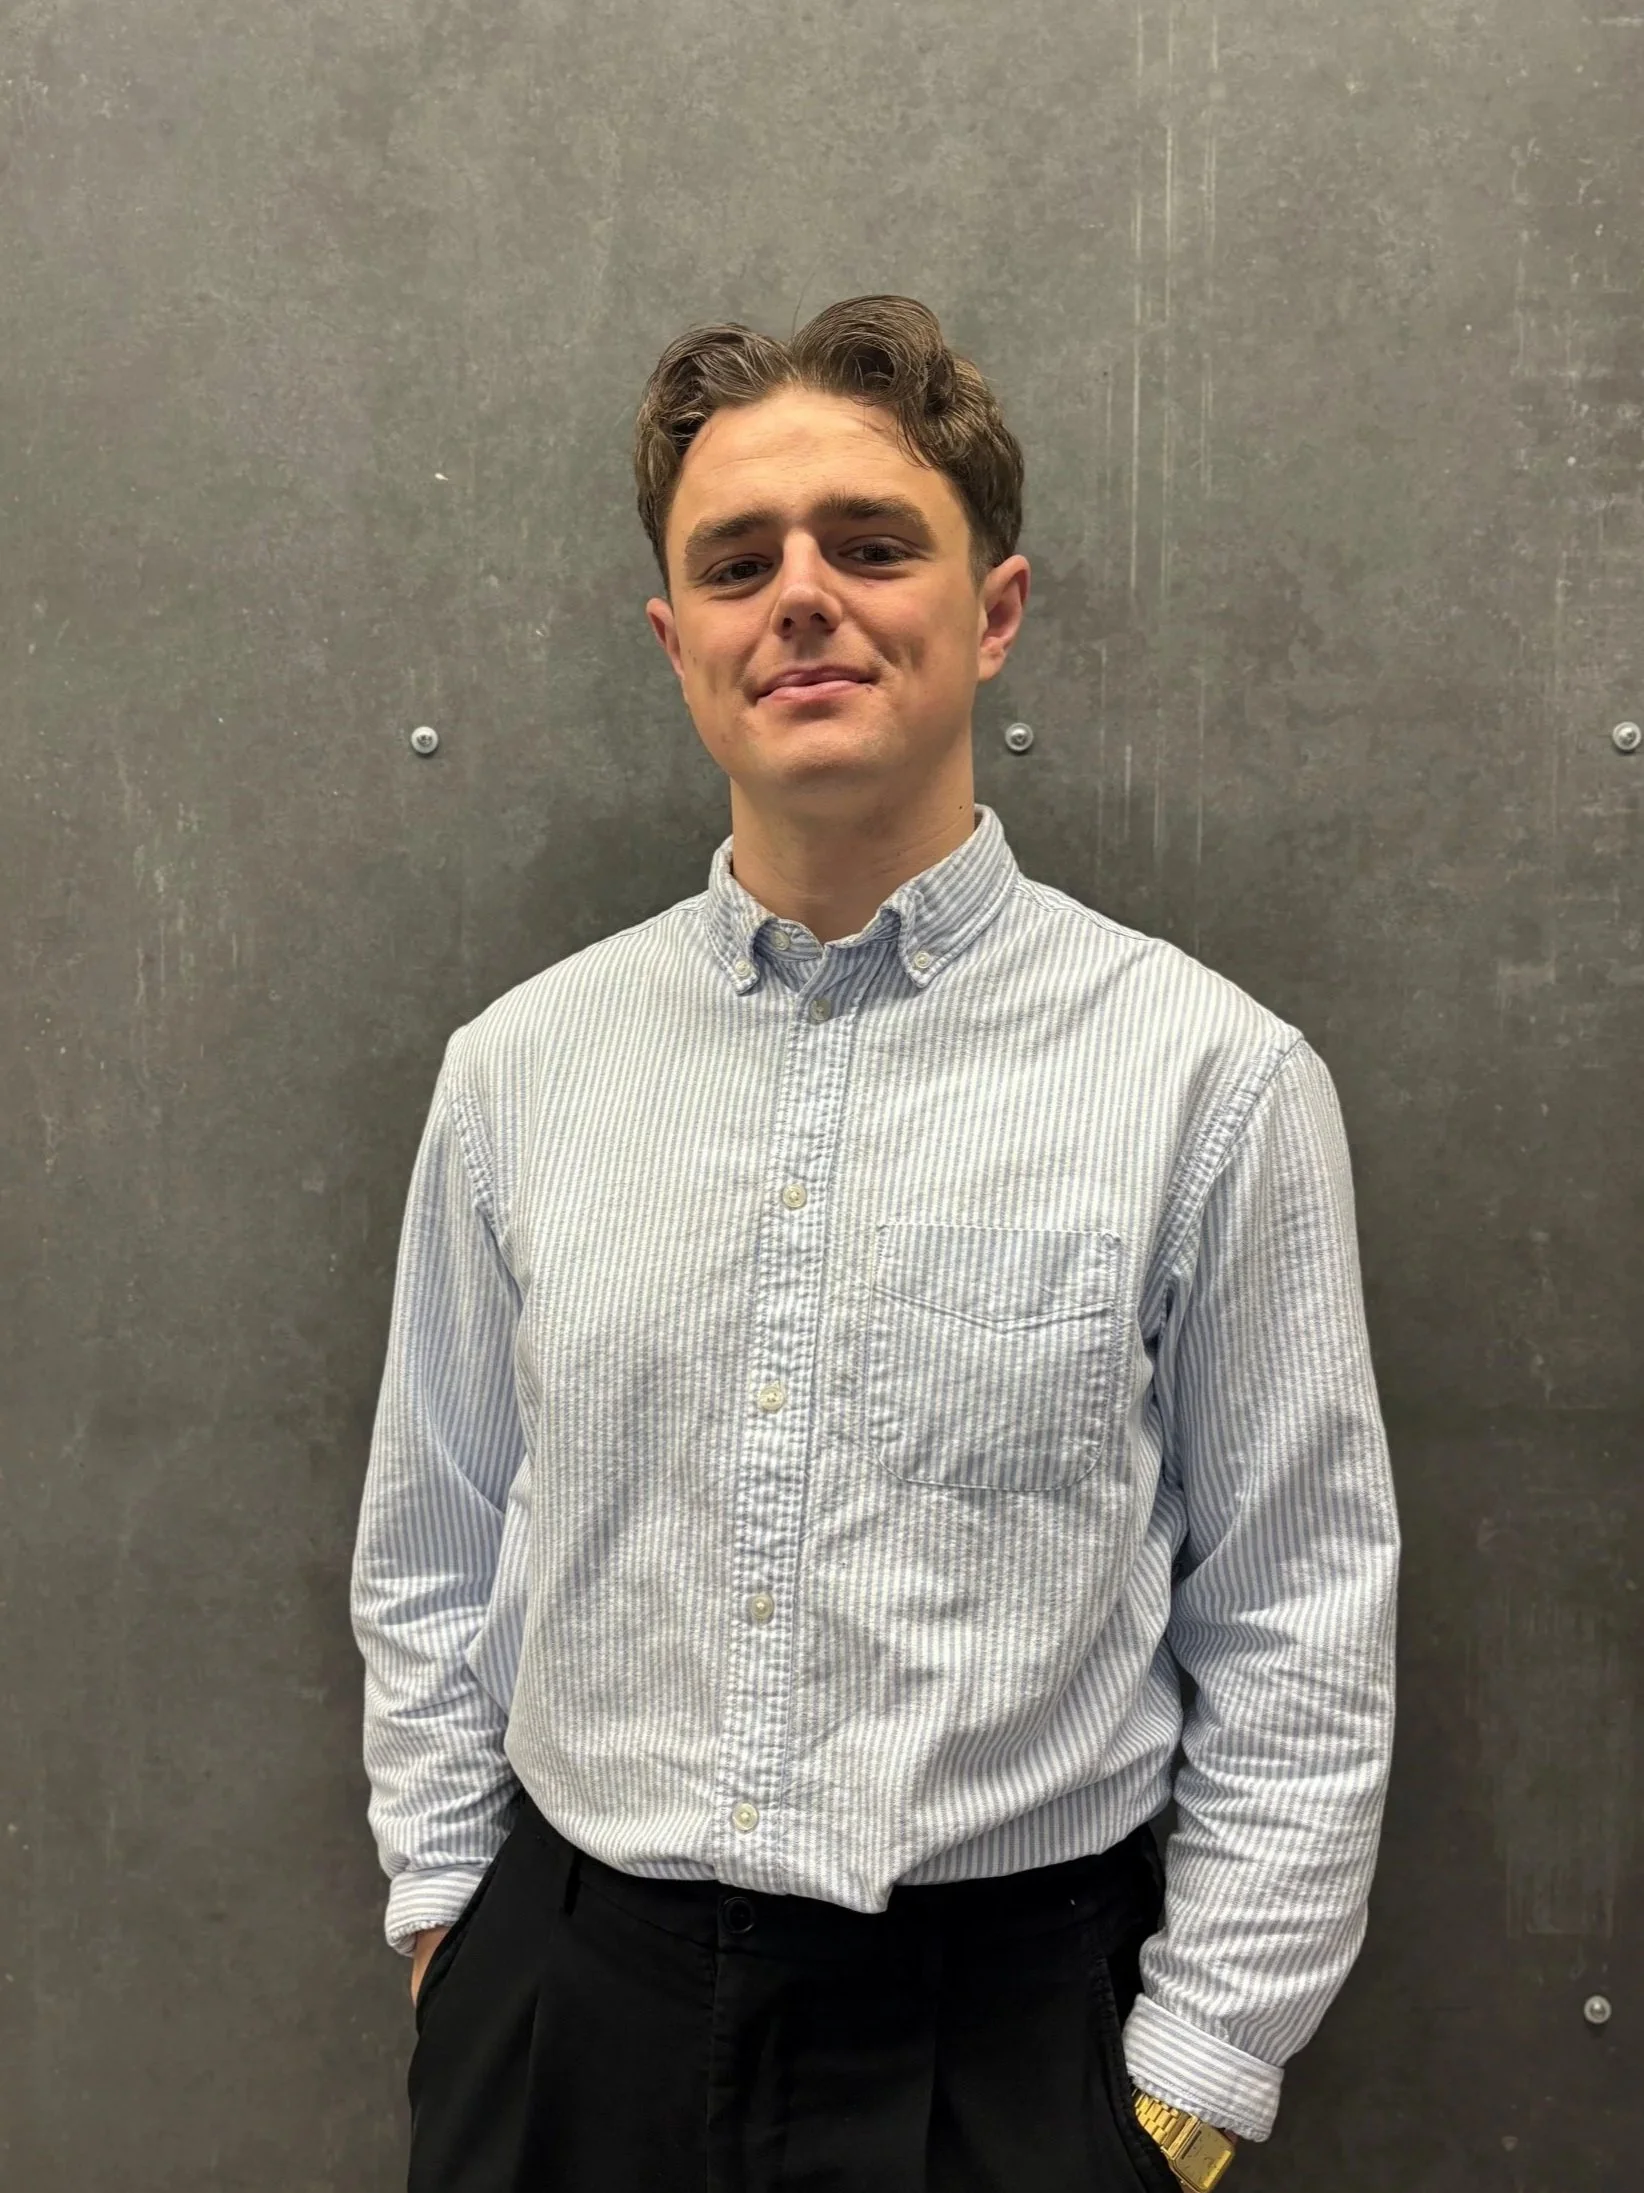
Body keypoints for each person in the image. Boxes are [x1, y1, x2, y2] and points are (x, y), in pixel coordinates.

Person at [350, 293, 1399, 2193]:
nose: (802, 599)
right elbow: (434, 1542)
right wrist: (451, 1933)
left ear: (993, 610)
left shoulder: (1208, 1080)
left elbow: (1300, 1602)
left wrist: (1192, 2081)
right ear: (677, 642)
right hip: (573, 2028)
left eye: (871, 542)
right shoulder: (521, 1072)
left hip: (1004, 2056)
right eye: (738, 562)